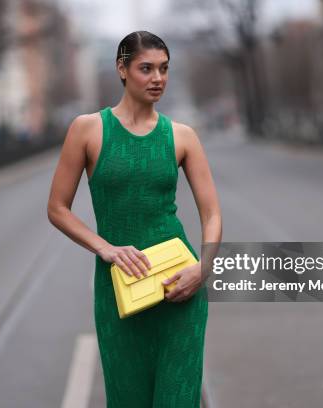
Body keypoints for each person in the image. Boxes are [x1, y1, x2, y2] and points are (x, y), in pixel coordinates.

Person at [47, 31, 222, 407]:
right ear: (122, 69)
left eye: (164, 69)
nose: (157, 78)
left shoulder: (182, 136)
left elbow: (211, 212)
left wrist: (202, 268)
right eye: (146, 68)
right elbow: (57, 208)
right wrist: (105, 249)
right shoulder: (88, 130)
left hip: (180, 289)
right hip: (119, 293)